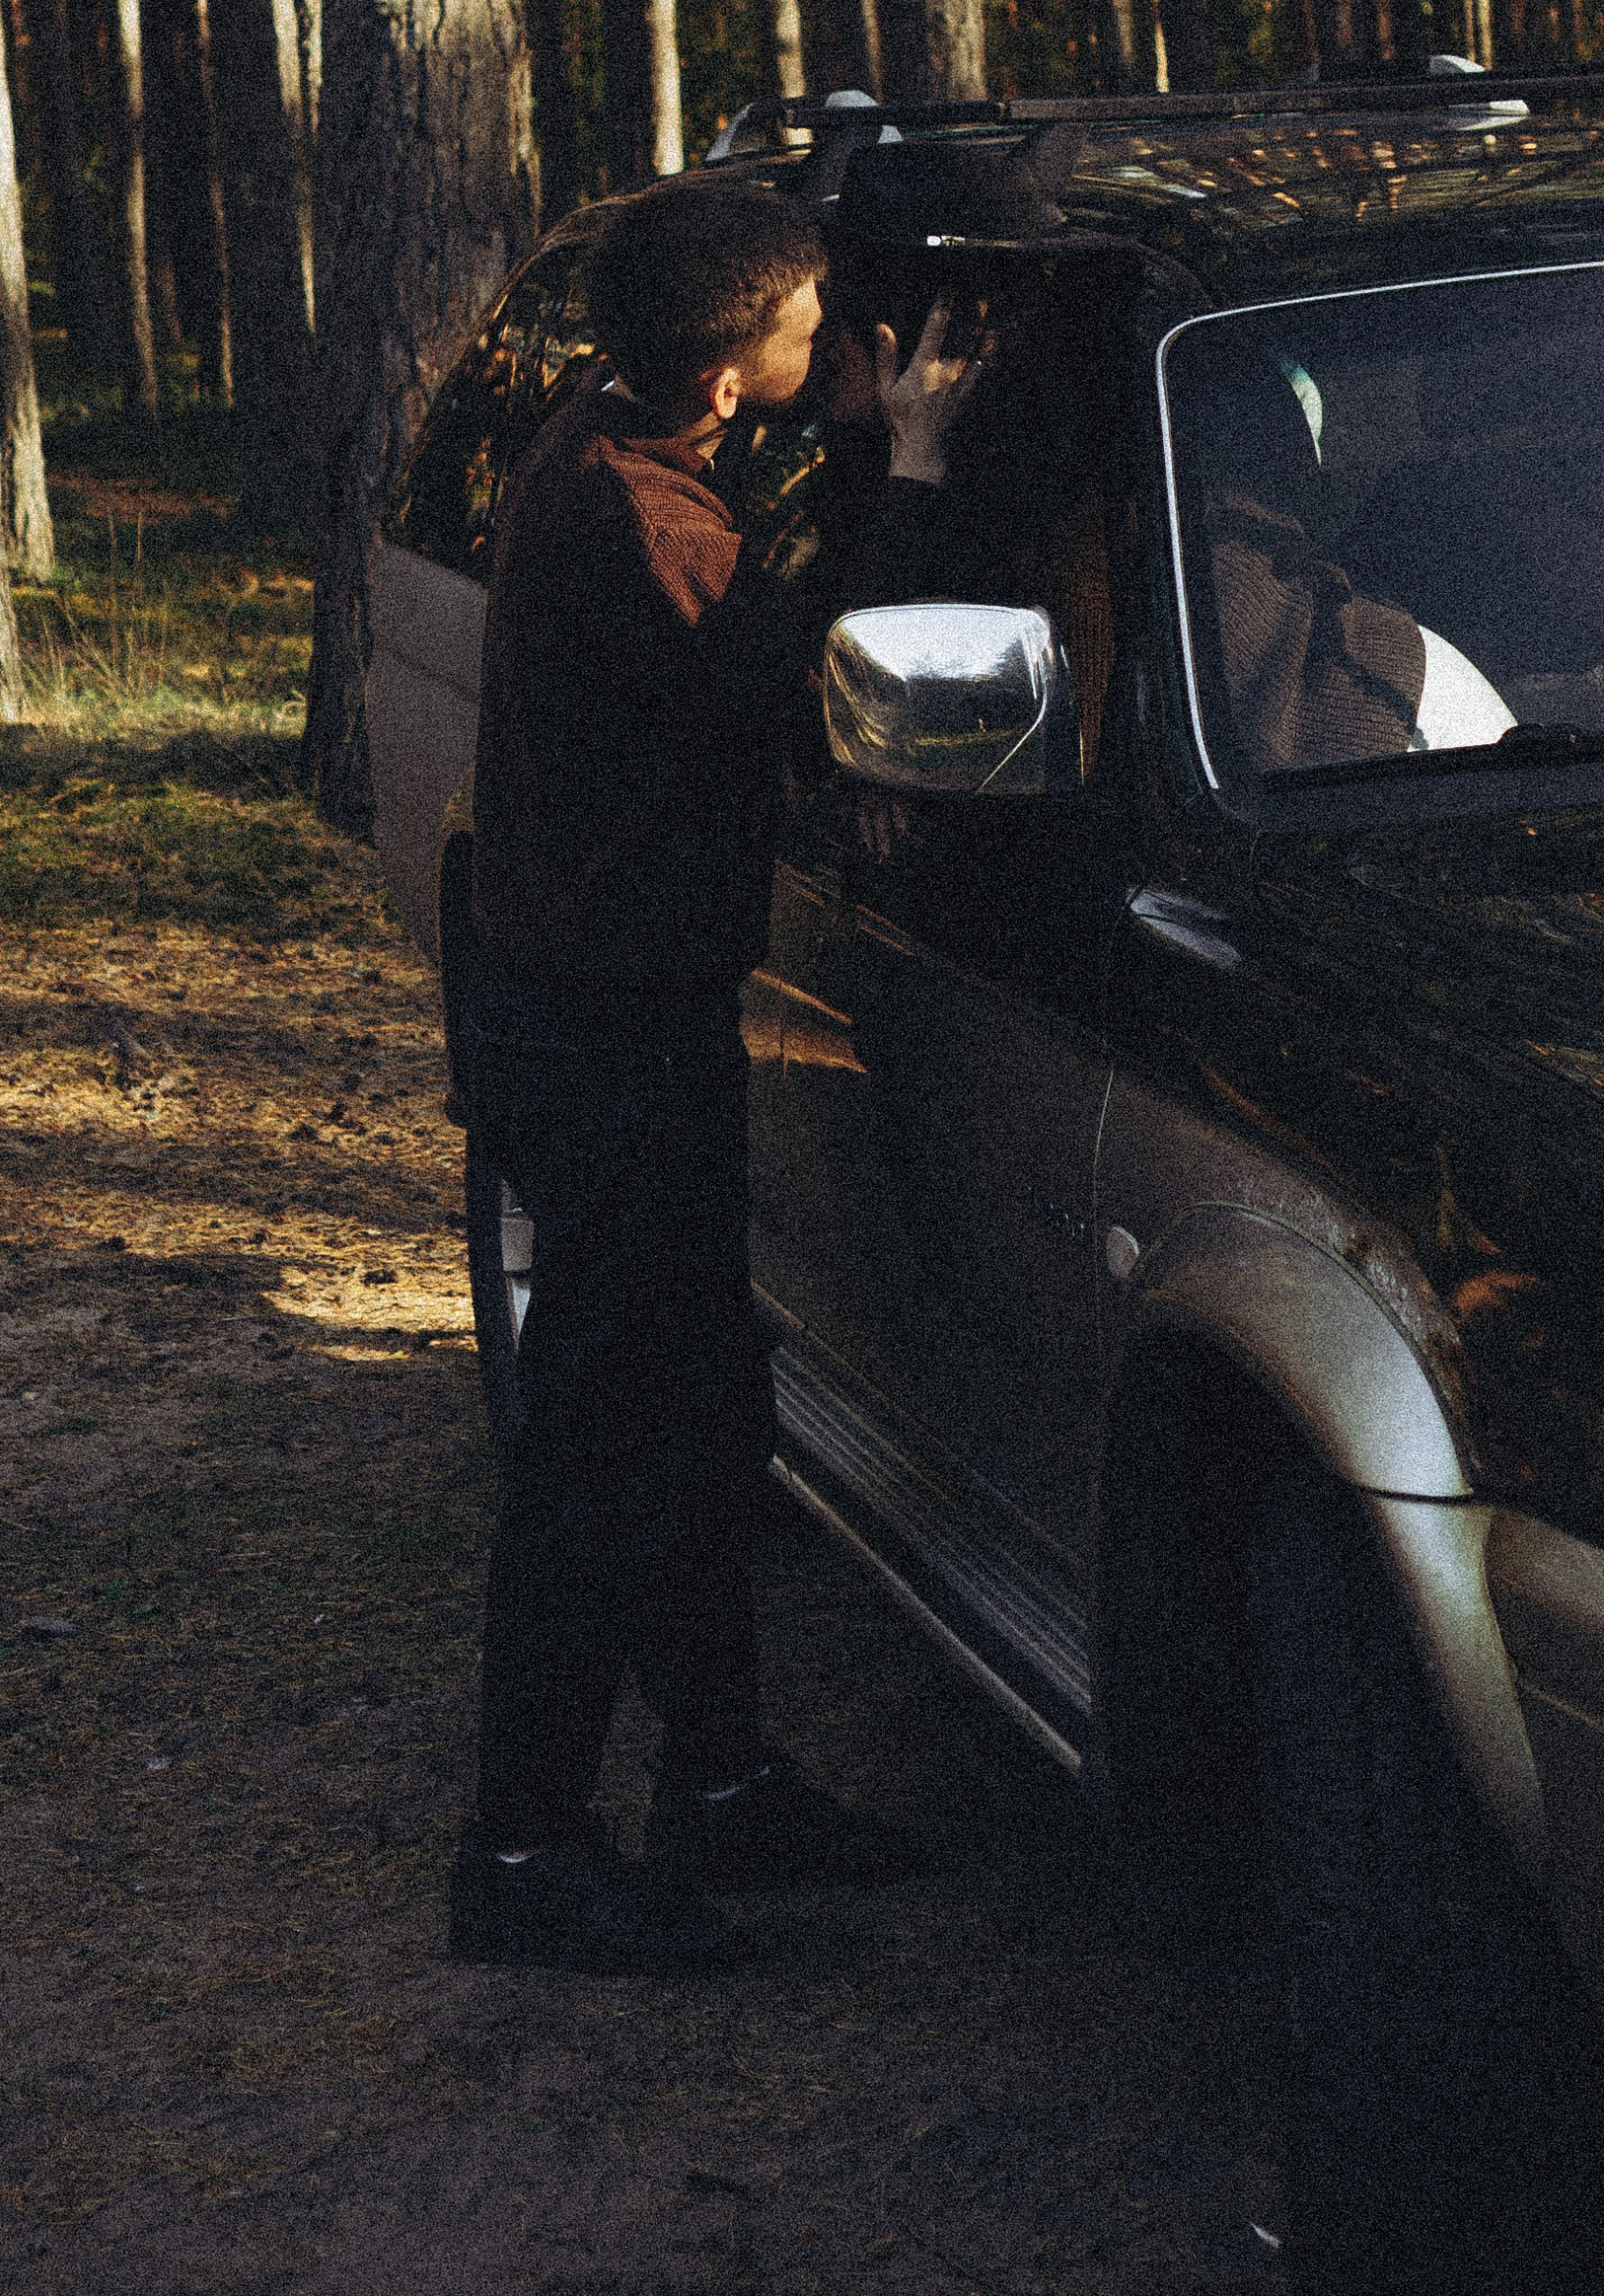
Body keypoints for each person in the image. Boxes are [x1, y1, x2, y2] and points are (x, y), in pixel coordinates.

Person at [448, 174, 986, 1975]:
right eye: (810, 319)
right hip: (601, 1033)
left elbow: (738, 621)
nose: (835, 337)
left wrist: (836, 440)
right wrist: (911, 467)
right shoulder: (634, 517)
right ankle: (519, 1853)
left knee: (692, 1406)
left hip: (598, 1006)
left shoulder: (623, 452)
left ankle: (724, 1784)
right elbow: (835, 682)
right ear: (733, 357)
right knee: (602, 1443)